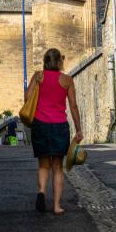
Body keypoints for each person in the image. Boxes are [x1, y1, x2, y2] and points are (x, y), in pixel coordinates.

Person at [26, 48, 83, 215]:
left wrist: (37, 85)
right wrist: (78, 130)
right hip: (59, 125)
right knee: (58, 166)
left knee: (43, 164)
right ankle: (57, 206)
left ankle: (42, 192)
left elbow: (27, 98)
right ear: (59, 61)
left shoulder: (38, 76)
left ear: (45, 61)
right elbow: (73, 106)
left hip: (40, 124)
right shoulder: (66, 80)